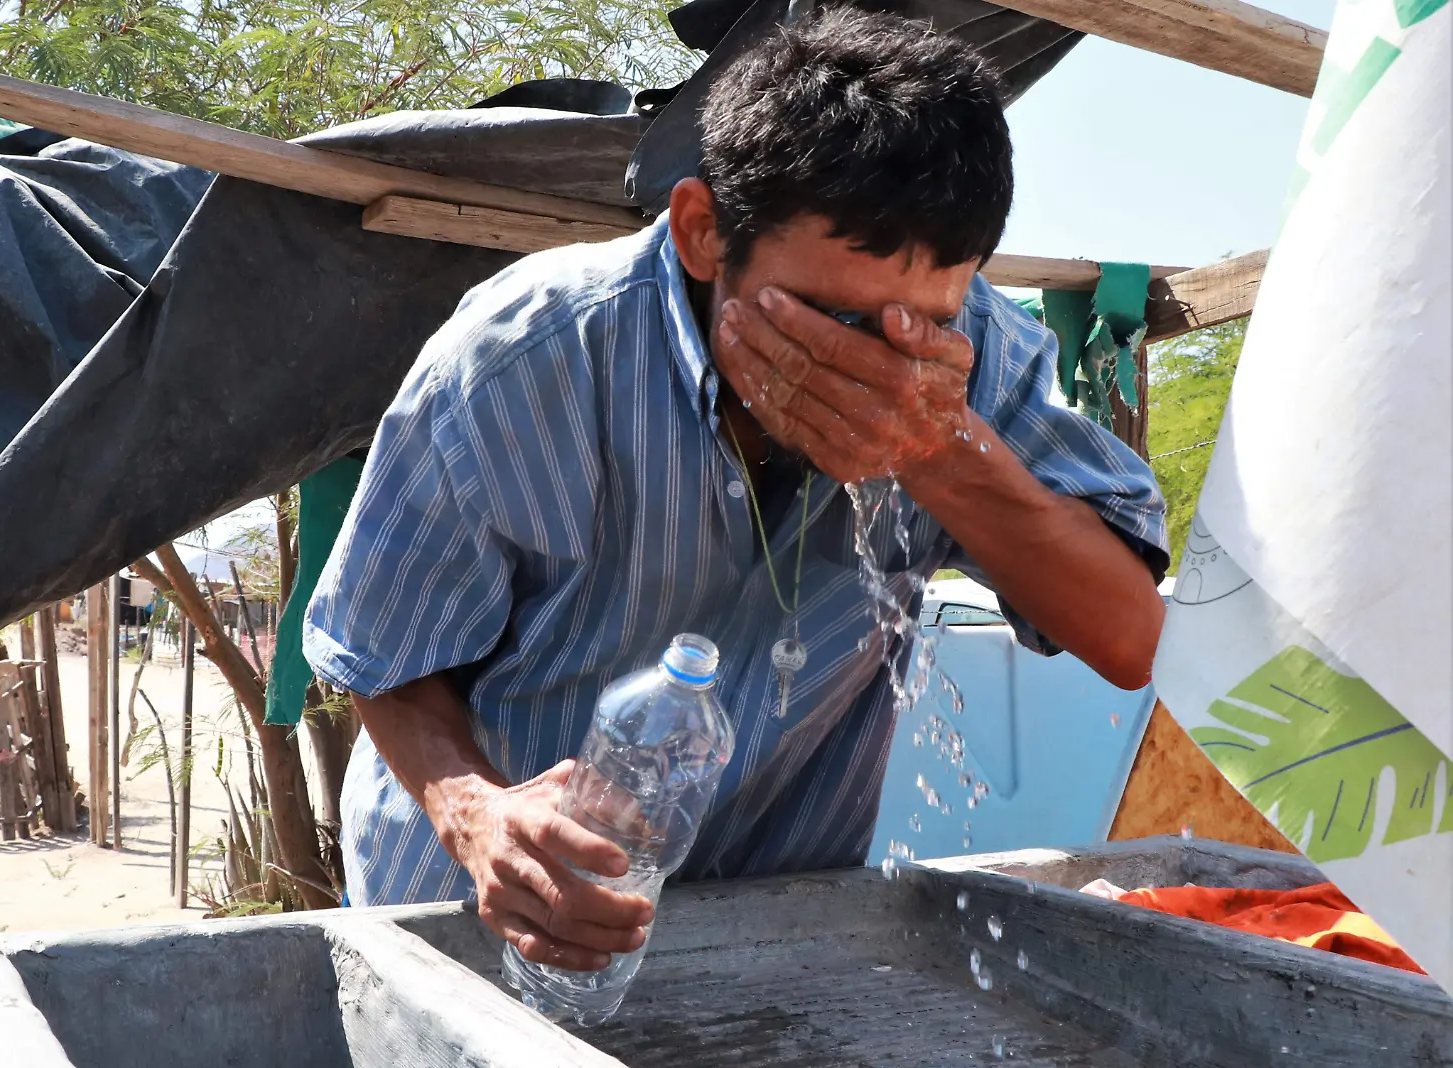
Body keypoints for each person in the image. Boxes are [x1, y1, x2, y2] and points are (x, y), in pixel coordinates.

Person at [303, 7, 1167, 972]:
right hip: (481, 929)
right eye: (828, 320)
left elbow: (1128, 636)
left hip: (763, 945)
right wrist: (477, 818)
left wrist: (941, 451)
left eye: (916, 328)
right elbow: (382, 653)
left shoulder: (978, 357)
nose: (875, 368)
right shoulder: (529, 353)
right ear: (703, 231)